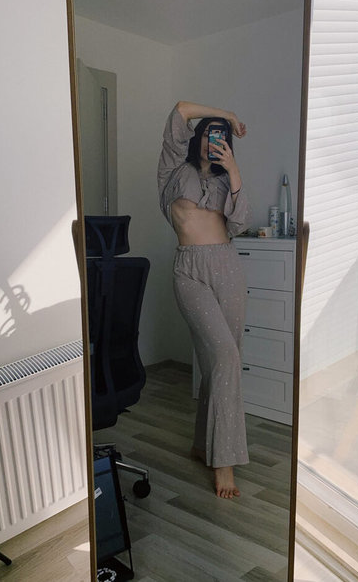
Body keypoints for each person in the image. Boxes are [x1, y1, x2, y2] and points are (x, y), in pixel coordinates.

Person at [158, 101, 252, 499]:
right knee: (225, 356)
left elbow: (240, 223)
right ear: (198, 137)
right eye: (211, 133)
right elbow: (181, 109)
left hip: (227, 267)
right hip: (190, 271)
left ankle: (203, 445)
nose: (215, 140)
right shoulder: (173, 169)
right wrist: (228, 115)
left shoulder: (225, 180)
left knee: (222, 362)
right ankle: (224, 461)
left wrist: (234, 170)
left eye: (223, 136)